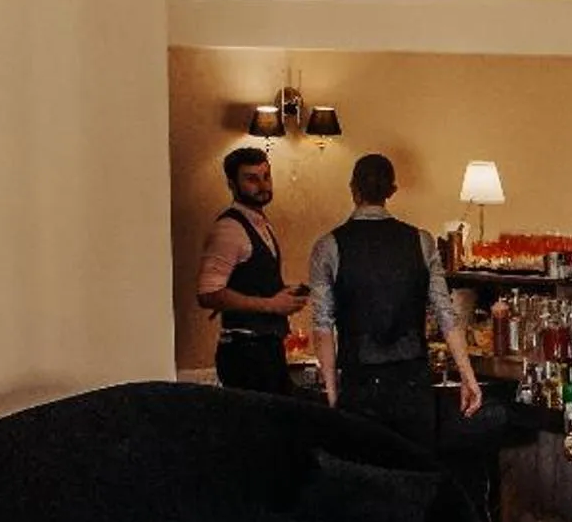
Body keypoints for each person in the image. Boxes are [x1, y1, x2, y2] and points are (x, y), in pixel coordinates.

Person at [310, 153, 482, 448]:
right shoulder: (421, 240)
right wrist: (468, 377)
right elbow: (446, 315)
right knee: (414, 472)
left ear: (353, 188)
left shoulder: (329, 245)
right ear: (392, 191)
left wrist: (331, 389)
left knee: (366, 476)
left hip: (359, 378)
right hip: (412, 380)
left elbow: (322, 325)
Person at [195, 147, 309, 395]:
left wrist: (282, 294)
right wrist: (271, 304)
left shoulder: (262, 224)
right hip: (245, 350)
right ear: (232, 183)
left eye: (266, 176)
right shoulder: (229, 228)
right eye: (252, 179)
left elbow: (250, 280)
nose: (262, 185)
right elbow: (207, 294)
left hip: (266, 347)